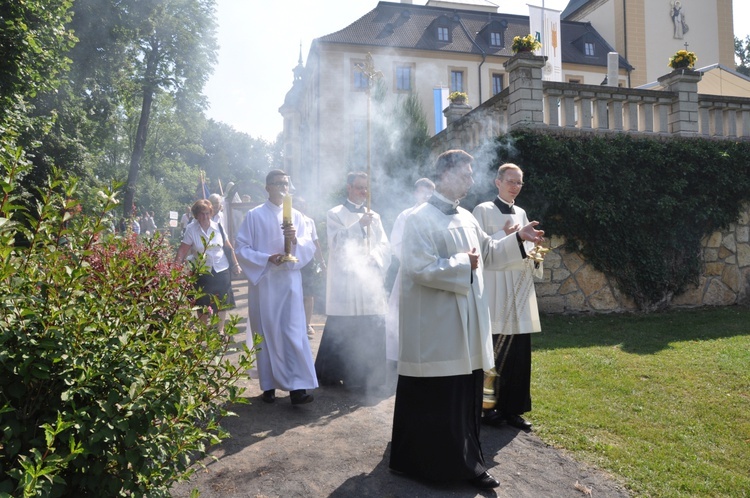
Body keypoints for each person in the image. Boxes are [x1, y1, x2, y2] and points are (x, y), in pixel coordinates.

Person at [389, 150, 544, 490]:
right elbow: (417, 267)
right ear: (445, 174)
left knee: (466, 393)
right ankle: (429, 463)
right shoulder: (419, 218)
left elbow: (488, 253)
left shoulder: (467, 217)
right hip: (437, 328)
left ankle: (466, 460)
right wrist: (462, 264)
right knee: (437, 396)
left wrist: (517, 238)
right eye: (466, 173)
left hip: (468, 323)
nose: (472, 180)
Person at [234, 170, 317, 405]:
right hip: (266, 282)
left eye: (286, 183)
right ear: (267, 187)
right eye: (278, 183)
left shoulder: (298, 216)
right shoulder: (254, 215)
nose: (283, 187)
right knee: (266, 332)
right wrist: (266, 258)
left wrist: (296, 240)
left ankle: (297, 388)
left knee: (292, 332)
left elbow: (308, 246)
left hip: (290, 282)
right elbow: (241, 248)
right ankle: (268, 385)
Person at [472, 163, 542, 431]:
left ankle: (513, 408)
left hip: (518, 286)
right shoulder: (483, 210)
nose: (516, 186)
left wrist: (534, 247)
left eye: (520, 182)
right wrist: (507, 236)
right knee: (495, 350)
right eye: (511, 181)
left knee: (518, 352)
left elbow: (523, 249)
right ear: (497, 182)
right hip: (495, 286)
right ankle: (487, 408)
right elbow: (481, 247)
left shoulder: (522, 212)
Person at [316, 171, 391, 392]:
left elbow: (385, 245)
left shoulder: (374, 216)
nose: (363, 192)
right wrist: (358, 226)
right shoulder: (335, 214)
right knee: (345, 325)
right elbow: (336, 243)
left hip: (369, 279)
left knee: (370, 323)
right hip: (347, 281)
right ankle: (339, 374)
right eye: (359, 187)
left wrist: (374, 258)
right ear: (348, 187)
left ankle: (370, 376)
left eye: (366, 188)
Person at [385, 178, 434, 371]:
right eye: (423, 192)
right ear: (415, 193)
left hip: (432, 272)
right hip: (408, 271)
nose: (427, 196)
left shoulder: (437, 215)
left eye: (430, 193)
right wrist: (415, 260)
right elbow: (396, 243)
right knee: (401, 315)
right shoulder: (405, 216)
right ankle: (398, 358)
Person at [175, 199, 240, 336]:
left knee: (222, 301)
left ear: (211, 213)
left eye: (207, 213)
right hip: (201, 270)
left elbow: (228, 247)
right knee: (202, 301)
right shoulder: (191, 229)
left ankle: (219, 330)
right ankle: (204, 331)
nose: (204, 217)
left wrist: (236, 264)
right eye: (201, 214)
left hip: (221, 268)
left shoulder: (218, 227)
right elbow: (182, 250)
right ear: (196, 215)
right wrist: (176, 267)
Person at [296, 197, 326, 339]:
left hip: (308, 262)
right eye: (297, 204)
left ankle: (307, 324)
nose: (300, 207)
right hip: (292, 262)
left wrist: (321, 261)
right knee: (294, 294)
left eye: (302, 204)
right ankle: (294, 325)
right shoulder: (286, 220)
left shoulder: (309, 221)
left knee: (308, 294)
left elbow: (315, 242)